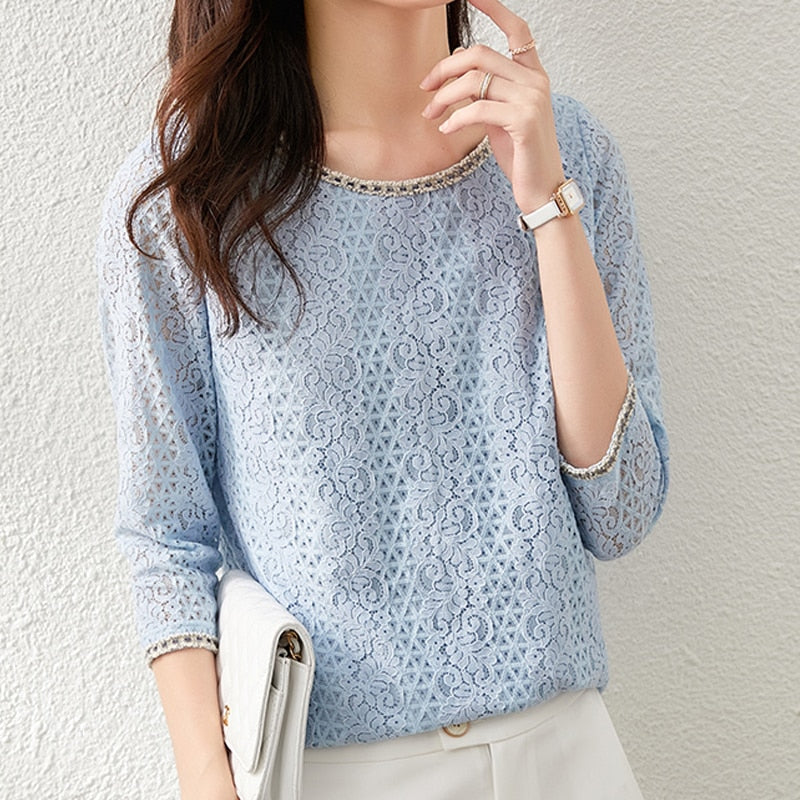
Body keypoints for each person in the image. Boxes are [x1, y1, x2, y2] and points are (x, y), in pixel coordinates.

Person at [96, 0, 669, 797]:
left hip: (565, 757)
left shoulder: (569, 150)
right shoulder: (189, 196)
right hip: (336, 771)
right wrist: (207, 782)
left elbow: (622, 511)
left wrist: (547, 204)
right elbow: (167, 535)